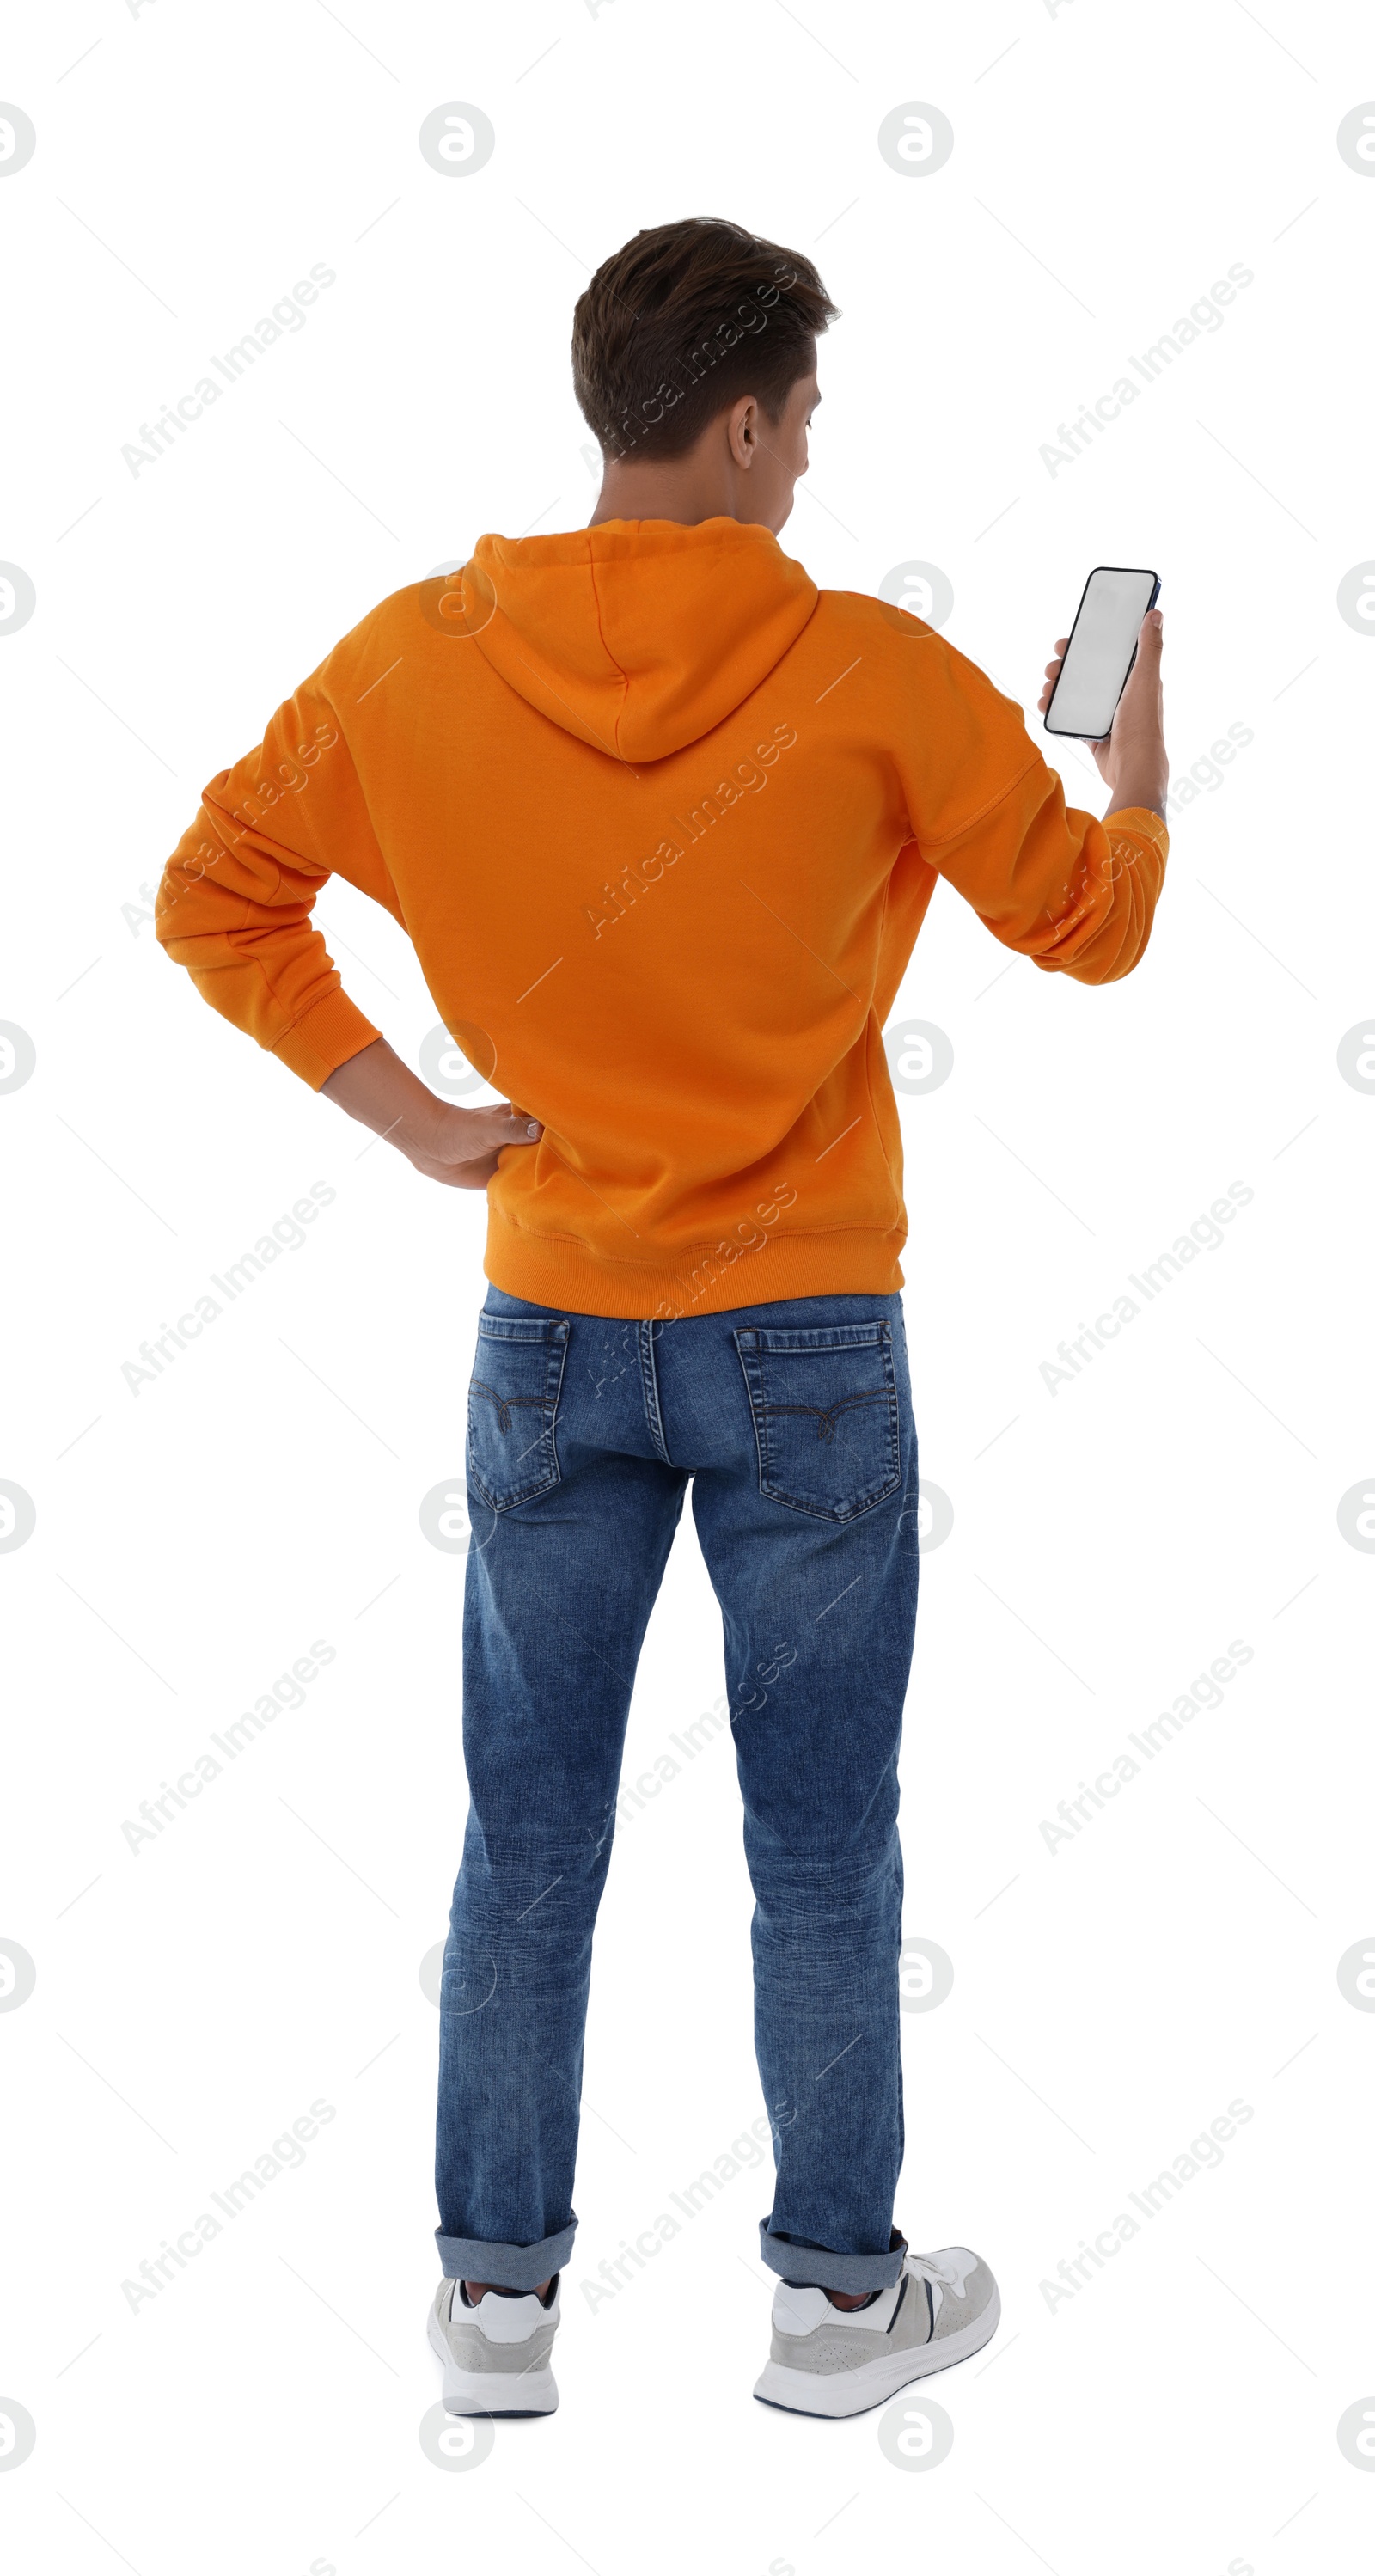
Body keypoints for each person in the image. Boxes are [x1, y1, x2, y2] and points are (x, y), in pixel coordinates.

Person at [156, 215, 1168, 2420]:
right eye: (802, 421)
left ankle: (499, 2312)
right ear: (736, 421)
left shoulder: (416, 656)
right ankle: (831, 2303)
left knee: (527, 1831)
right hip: (807, 1328)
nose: (805, 465)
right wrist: (1137, 762)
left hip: (548, 1322)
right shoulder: (873, 678)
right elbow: (1086, 929)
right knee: (819, 1832)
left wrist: (415, 1113)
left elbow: (210, 883)